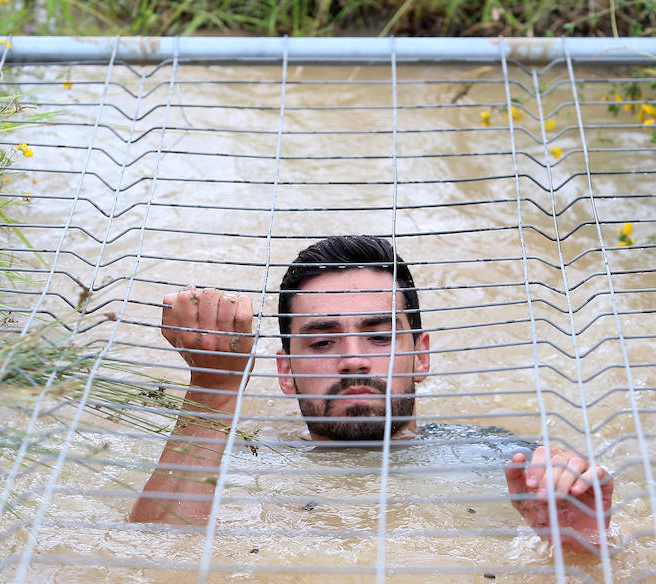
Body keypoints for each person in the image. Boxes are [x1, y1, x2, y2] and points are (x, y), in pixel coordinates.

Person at [128, 235, 613, 554]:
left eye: (380, 336)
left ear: (421, 357)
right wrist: (214, 387)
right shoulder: (234, 464)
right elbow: (147, 563)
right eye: (322, 340)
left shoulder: (504, 463)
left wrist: (576, 538)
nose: (355, 359)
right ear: (286, 372)